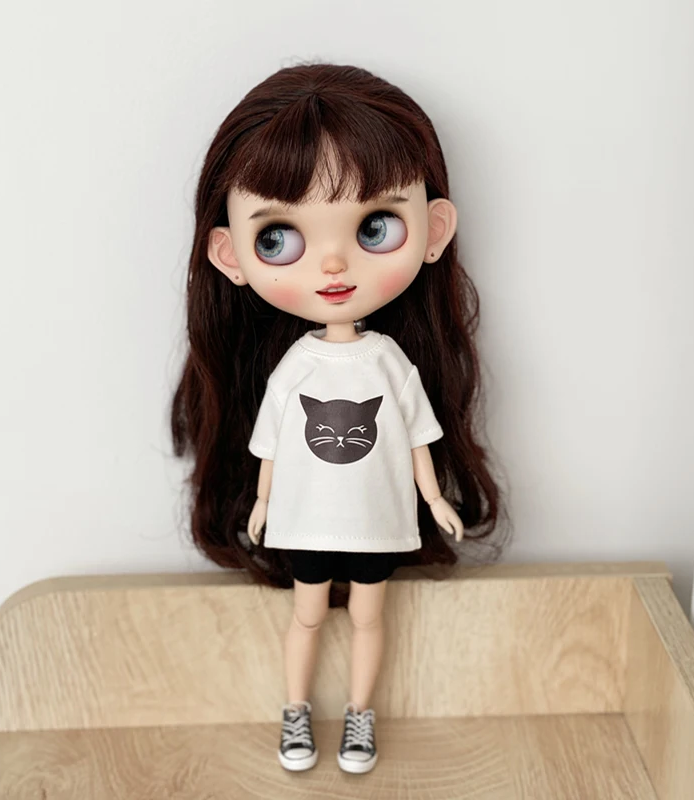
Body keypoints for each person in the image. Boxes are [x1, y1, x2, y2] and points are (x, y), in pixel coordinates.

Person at [171, 62, 503, 774]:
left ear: (434, 230)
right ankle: (295, 711)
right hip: (307, 520)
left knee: (368, 616)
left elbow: (415, 437)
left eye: (374, 227)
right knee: (309, 613)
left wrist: (435, 498)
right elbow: (272, 444)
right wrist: (263, 504)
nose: (331, 262)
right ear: (230, 254)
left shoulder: (388, 361)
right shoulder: (296, 367)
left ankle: (359, 716)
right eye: (277, 238)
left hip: (377, 519)